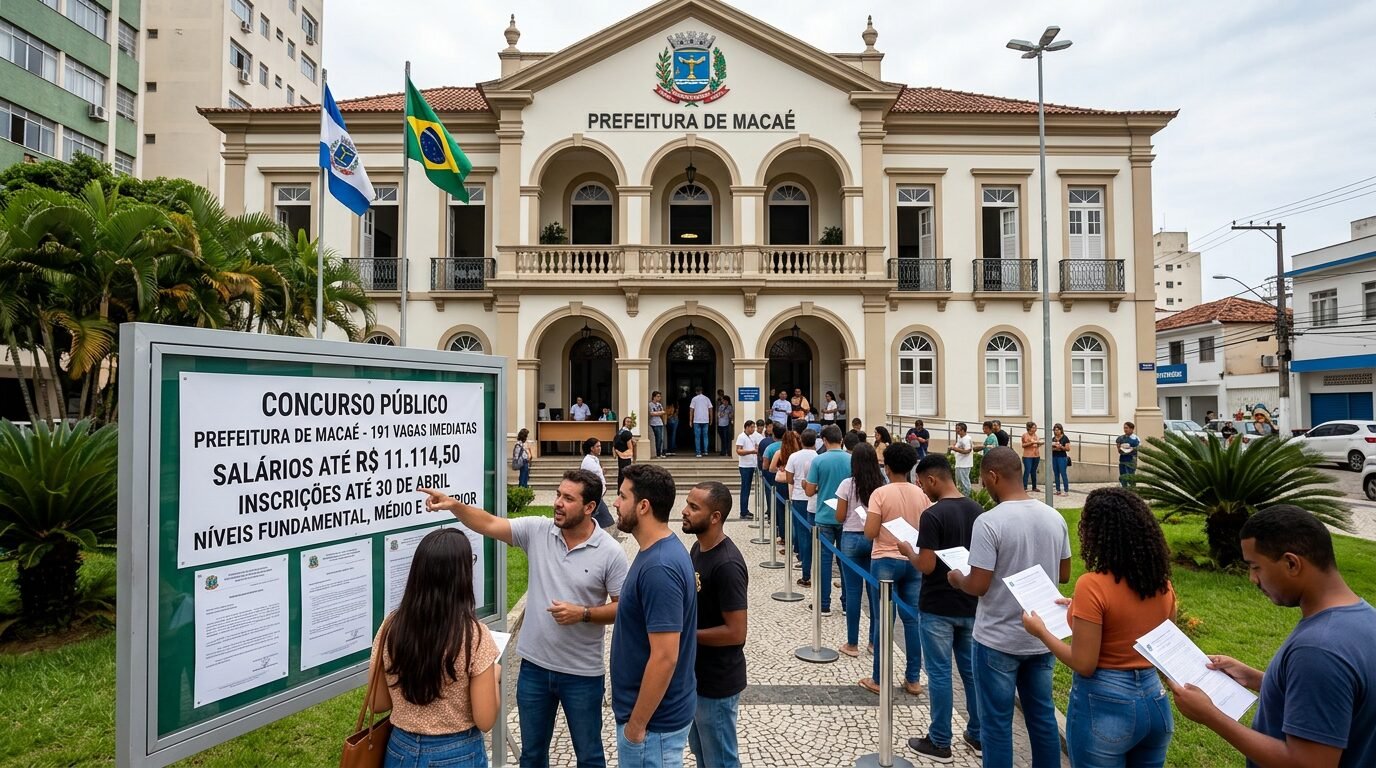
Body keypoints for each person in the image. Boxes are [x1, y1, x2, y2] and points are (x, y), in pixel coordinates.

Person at [419, 470, 628, 768]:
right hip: (534, 669)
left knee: (590, 757)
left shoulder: (610, 553)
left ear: (590, 507)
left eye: (568, 498)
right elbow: (489, 523)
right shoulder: (538, 531)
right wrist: (455, 506)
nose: (557, 502)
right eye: (558, 494)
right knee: (532, 756)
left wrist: (583, 614)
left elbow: (623, 607)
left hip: (582, 674)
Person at [1169, 505, 1376, 768]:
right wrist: (1258, 679)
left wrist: (1210, 716)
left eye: (1255, 567)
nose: (1252, 579)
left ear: (1291, 563)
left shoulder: (1317, 650)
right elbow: (1337, 697)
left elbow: (1309, 764)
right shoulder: (1365, 617)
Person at [1021, 487, 1175, 767]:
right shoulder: (1163, 586)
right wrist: (1079, 608)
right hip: (1156, 703)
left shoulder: (1092, 584)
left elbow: (1083, 663)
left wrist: (1041, 631)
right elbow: (1162, 646)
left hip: (1106, 704)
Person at [948, 447, 1071, 768]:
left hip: (997, 639)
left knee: (997, 723)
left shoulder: (989, 522)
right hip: (1041, 636)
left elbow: (979, 585)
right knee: (1042, 716)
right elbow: (1065, 574)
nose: (982, 485)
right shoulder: (1054, 517)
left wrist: (957, 578)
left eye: (983, 479)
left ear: (993, 476)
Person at [368, 528, 500, 767]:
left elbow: (378, 704)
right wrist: (494, 679)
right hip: (458, 752)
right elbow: (486, 719)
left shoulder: (390, 626)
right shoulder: (475, 635)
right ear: (461, 575)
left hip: (400, 749)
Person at [898, 455, 985, 762]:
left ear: (933, 480)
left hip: (937, 604)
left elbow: (926, 564)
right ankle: (978, 735)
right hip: (970, 602)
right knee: (972, 673)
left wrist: (908, 551)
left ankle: (939, 740)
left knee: (939, 674)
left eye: (922, 484)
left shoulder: (932, 515)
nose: (922, 490)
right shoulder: (977, 509)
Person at [611, 464, 698, 767]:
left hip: (652, 727)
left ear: (643, 506)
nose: (615, 503)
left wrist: (636, 726)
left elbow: (665, 657)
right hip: (654, 721)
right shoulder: (659, 550)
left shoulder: (659, 566)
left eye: (622, 496)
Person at [682, 481, 749, 768]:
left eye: (693, 507)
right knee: (701, 753)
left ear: (715, 517)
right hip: (696, 675)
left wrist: (686, 636)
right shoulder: (698, 548)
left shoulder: (727, 565)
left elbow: (736, 632)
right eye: (687, 503)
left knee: (720, 760)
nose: (684, 511)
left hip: (717, 682)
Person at [860, 441, 929, 696]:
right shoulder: (921, 494)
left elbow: (869, 532)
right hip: (912, 560)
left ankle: (879, 677)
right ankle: (913, 679)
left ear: (886, 467)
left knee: (882, 620)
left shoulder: (880, 493)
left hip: (885, 559)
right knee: (912, 620)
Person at [835, 442, 883, 657]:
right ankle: (874, 643)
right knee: (875, 594)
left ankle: (852, 643)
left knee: (853, 593)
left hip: (851, 538)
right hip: (875, 539)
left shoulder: (847, 484)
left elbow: (839, 516)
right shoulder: (883, 483)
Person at [805, 424, 851, 616]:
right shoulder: (851, 459)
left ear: (824, 440)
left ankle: (824, 604)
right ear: (841, 439)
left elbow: (809, 490)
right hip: (846, 516)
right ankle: (847, 604)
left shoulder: (819, 460)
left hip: (824, 515)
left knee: (823, 562)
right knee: (846, 563)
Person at [782, 429, 820, 587]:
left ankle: (806, 571)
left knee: (802, 535)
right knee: (814, 536)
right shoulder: (818, 457)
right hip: (815, 499)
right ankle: (814, 570)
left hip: (799, 497)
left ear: (801, 441)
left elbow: (789, 479)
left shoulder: (794, 456)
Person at [581, 438, 615, 529]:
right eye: (598, 446)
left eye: (600, 446)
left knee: (599, 520)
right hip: (595, 495)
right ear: (592, 448)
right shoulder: (588, 462)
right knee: (607, 521)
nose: (600, 448)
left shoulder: (594, 460)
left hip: (598, 495)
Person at [734, 420, 759, 521]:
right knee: (745, 488)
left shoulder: (752, 437)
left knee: (748, 489)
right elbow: (738, 450)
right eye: (752, 427)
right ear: (747, 427)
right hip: (745, 466)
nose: (753, 429)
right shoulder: (741, 437)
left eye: (754, 427)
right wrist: (751, 451)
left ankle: (746, 509)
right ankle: (743, 511)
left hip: (752, 464)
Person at [756, 423, 779, 526]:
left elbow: (760, 458)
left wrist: (761, 470)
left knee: (770, 493)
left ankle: (771, 514)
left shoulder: (764, 442)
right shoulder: (789, 444)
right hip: (783, 474)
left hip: (768, 473)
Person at [613, 417, 635, 498]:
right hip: (625, 455)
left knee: (621, 473)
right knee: (625, 473)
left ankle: (620, 490)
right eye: (627, 421)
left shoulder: (620, 432)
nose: (628, 423)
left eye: (630, 422)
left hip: (620, 454)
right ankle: (624, 490)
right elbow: (629, 446)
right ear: (624, 422)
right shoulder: (627, 433)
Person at [951, 422, 974, 496]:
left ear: (963, 430)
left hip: (964, 464)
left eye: (958, 429)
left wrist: (955, 449)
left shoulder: (967, 439)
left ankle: (967, 497)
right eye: (956, 428)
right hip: (959, 463)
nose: (956, 430)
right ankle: (961, 496)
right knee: (959, 483)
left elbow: (967, 451)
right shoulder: (960, 437)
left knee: (964, 483)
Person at [690, 387, 713, 458]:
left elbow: (691, 410)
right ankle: (705, 451)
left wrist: (690, 420)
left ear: (696, 392)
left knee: (697, 437)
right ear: (702, 391)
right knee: (705, 436)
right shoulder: (707, 399)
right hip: (705, 420)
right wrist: (711, 419)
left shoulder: (694, 399)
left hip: (696, 420)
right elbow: (710, 409)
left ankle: (698, 452)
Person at [1021, 422, 1044, 492]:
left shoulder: (1036, 436)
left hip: (1036, 455)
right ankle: (1024, 487)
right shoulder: (1025, 435)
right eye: (1033, 427)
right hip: (1027, 456)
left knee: (1034, 471)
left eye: (1035, 427)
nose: (1035, 429)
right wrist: (1032, 443)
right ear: (1029, 428)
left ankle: (1034, 487)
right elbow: (1023, 445)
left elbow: (1037, 444)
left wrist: (1039, 443)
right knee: (1027, 470)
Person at [1116, 422, 1140, 488]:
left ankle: (1132, 490)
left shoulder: (1136, 438)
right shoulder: (1120, 438)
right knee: (1123, 475)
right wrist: (1121, 448)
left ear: (1132, 429)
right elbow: (1118, 449)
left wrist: (1131, 448)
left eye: (1127, 428)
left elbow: (1139, 448)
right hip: (1123, 459)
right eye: (1124, 428)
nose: (1125, 429)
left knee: (1131, 475)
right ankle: (1123, 489)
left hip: (1131, 460)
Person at [1050, 424, 1071, 497]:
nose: (1056, 431)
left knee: (1063, 473)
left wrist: (1061, 447)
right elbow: (1050, 448)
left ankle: (1066, 491)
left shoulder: (1065, 438)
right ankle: (1058, 490)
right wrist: (1056, 448)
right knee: (1056, 474)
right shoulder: (1053, 439)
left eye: (1058, 430)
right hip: (1054, 457)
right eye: (1055, 430)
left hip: (1062, 457)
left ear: (1061, 430)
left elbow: (1068, 448)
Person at [649, 391, 666, 458]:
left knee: (661, 439)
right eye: (658, 396)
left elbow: (663, 412)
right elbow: (652, 413)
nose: (659, 398)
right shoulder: (650, 404)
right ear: (654, 397)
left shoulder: (659, 404)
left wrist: (658, 413)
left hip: (660, 422)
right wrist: (659, 413)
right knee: (658, 438)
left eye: (660, 396)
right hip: (654, 423)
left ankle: (660, 453)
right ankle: (658, 453)